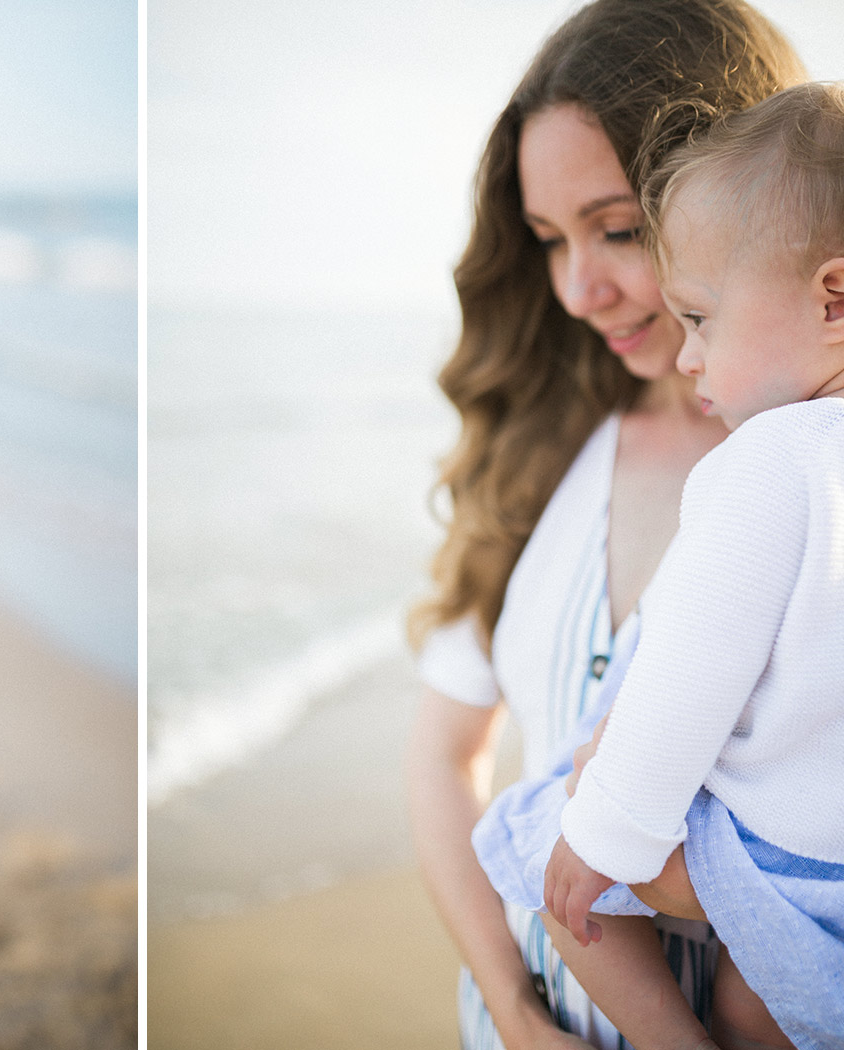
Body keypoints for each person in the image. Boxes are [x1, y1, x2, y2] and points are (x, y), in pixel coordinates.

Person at [403, 0, 807, 1046]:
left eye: (619, 229)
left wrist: (695, 891)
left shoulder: (817, 481)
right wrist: (508, 1007)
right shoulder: (536, 448)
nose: (580, 288)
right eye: (547, 240)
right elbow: (442, 755)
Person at [527, 80, 844, 1050]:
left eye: (699, 319)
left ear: (832, 297)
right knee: (768, 1013)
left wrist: (605, 832)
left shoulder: (765, 460)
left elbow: (686, 673)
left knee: (540, 857)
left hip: (777, 859)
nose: (687, 358)